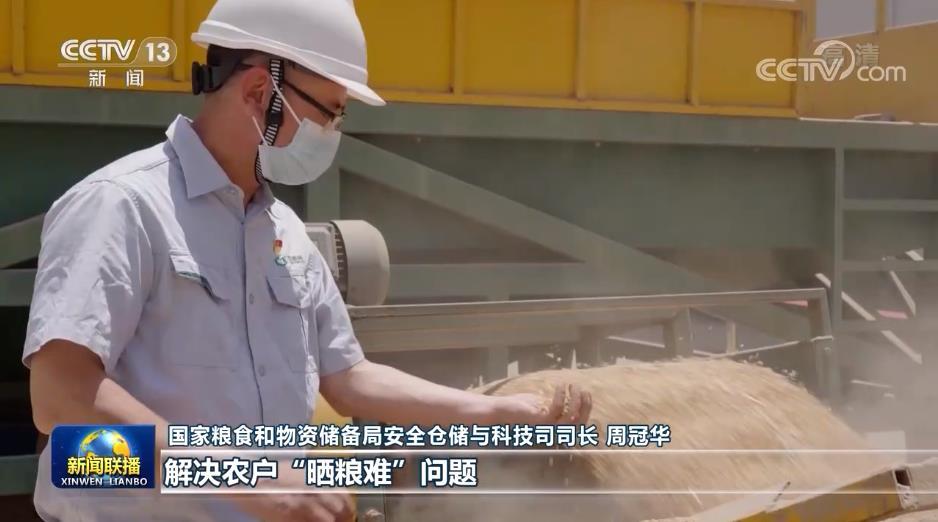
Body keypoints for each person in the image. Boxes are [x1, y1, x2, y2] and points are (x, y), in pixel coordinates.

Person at [23, 0, 592, 521]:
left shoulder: (284, 232)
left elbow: (348, 377)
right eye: (329, 113)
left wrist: (493, 413)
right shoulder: (121, 206)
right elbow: (61, 401)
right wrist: (245, 478)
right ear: (257, 93)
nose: (332, 133)